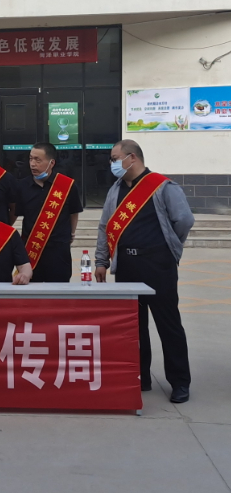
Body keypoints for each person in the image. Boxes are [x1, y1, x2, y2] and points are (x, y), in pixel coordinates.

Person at [95, 139, 194, 403]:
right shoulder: (115, 190)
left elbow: (184, 220)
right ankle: (140, 377)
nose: (112, 163)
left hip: (157, 265)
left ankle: (180, 382)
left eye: (115, 158)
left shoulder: (162, 186)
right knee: (134, 327)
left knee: (168, 324)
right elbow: (105, 227)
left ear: (132, 158)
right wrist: (101, 261)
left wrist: (169, 246)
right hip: (126, 267)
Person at [17, 142, 83, 282]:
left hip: (58, 251)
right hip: (32, 250)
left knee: (59, 291)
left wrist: (71, 233)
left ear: (51, 163)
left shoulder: (67, 186)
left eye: (38, 160)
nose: (32, 164)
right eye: (31, 159)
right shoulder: (22, 186)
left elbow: (74, 212)